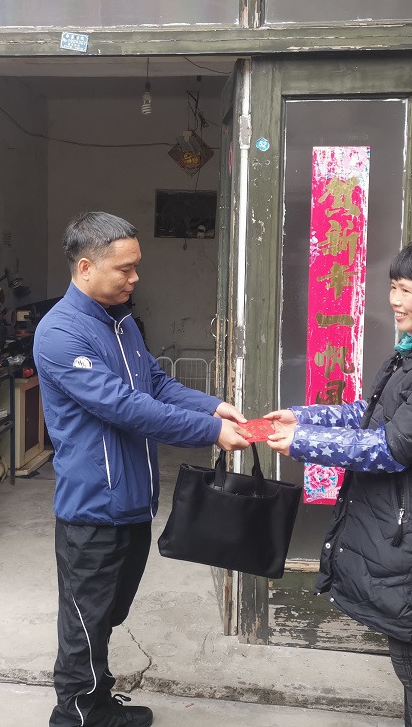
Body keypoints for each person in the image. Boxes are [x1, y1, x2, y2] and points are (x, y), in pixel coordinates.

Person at [265, 241, 412, 727]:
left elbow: (392, 447)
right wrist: (303, 418)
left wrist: (303, 442)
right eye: (392, 287)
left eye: (405, 290)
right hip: (402, 528)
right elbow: (369, 414)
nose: (393, 300)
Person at [35, 212, 250, 727]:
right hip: (93, 507)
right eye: (124, 269)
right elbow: (125, 406)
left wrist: (211, 406)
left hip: (133, 501)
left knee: (108, 615)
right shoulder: (60, 333)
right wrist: (209, 432)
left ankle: (98, 703)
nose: (135, 278)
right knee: (85, 623)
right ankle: (76, 716)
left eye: (137, 266)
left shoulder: (122, 322)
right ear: (85, 268)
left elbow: (155, 383)